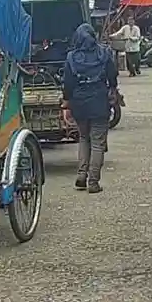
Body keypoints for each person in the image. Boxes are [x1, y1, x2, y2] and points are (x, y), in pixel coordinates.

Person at [62, 23, 118, 194]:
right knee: (98, 143)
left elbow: (68, 84)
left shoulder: (71, 57)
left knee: (84, 138)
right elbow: (112, 75)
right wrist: (113, 90)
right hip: (99, 100)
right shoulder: (104, 52)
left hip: (79, 102)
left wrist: (66, 103)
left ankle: (81, 175)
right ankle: (93, 181)